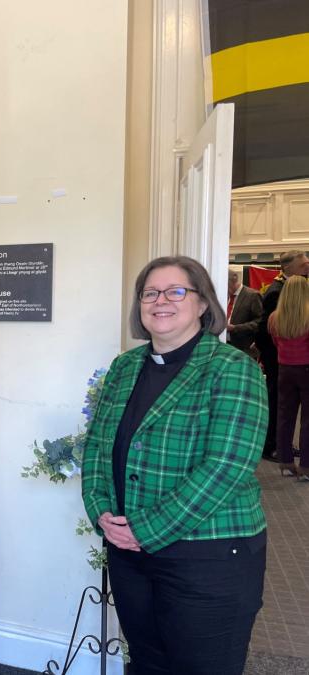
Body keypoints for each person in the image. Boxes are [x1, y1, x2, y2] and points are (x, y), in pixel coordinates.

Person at [81, 256, 268, 675]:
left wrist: (143, 531)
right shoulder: (125, 367)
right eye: (150, 293)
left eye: (176, 291)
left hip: (210, 556)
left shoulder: (233, 369)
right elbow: (97, 447)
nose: (160, 300)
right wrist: (101, 513)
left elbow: (226, 467)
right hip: (131, 553)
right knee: (147, 662)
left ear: (203, 304)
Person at [255, 249, 309, 461]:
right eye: (304, 265)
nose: (307, 268)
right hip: (296, 364)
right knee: (300, 416)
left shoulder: (276, 314)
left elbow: (273, 335)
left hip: (284, 364)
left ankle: (284, 456)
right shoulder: (276, 291)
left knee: (285, 413)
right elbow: (264, 336)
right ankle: (298, 459)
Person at [268, 275, 309, 480]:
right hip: (306, 369)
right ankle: (306, 466)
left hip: (284, 369)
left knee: (284, 415)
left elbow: (276, 342)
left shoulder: (275, 317)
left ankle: (285, 460)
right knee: (308, 419)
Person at [225, 267, 262, 357]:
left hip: (244, 348)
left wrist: (235, 328)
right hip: (225, 345)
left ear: (233, 280)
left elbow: (259, 322)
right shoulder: (224, 294)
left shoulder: (253, 295)